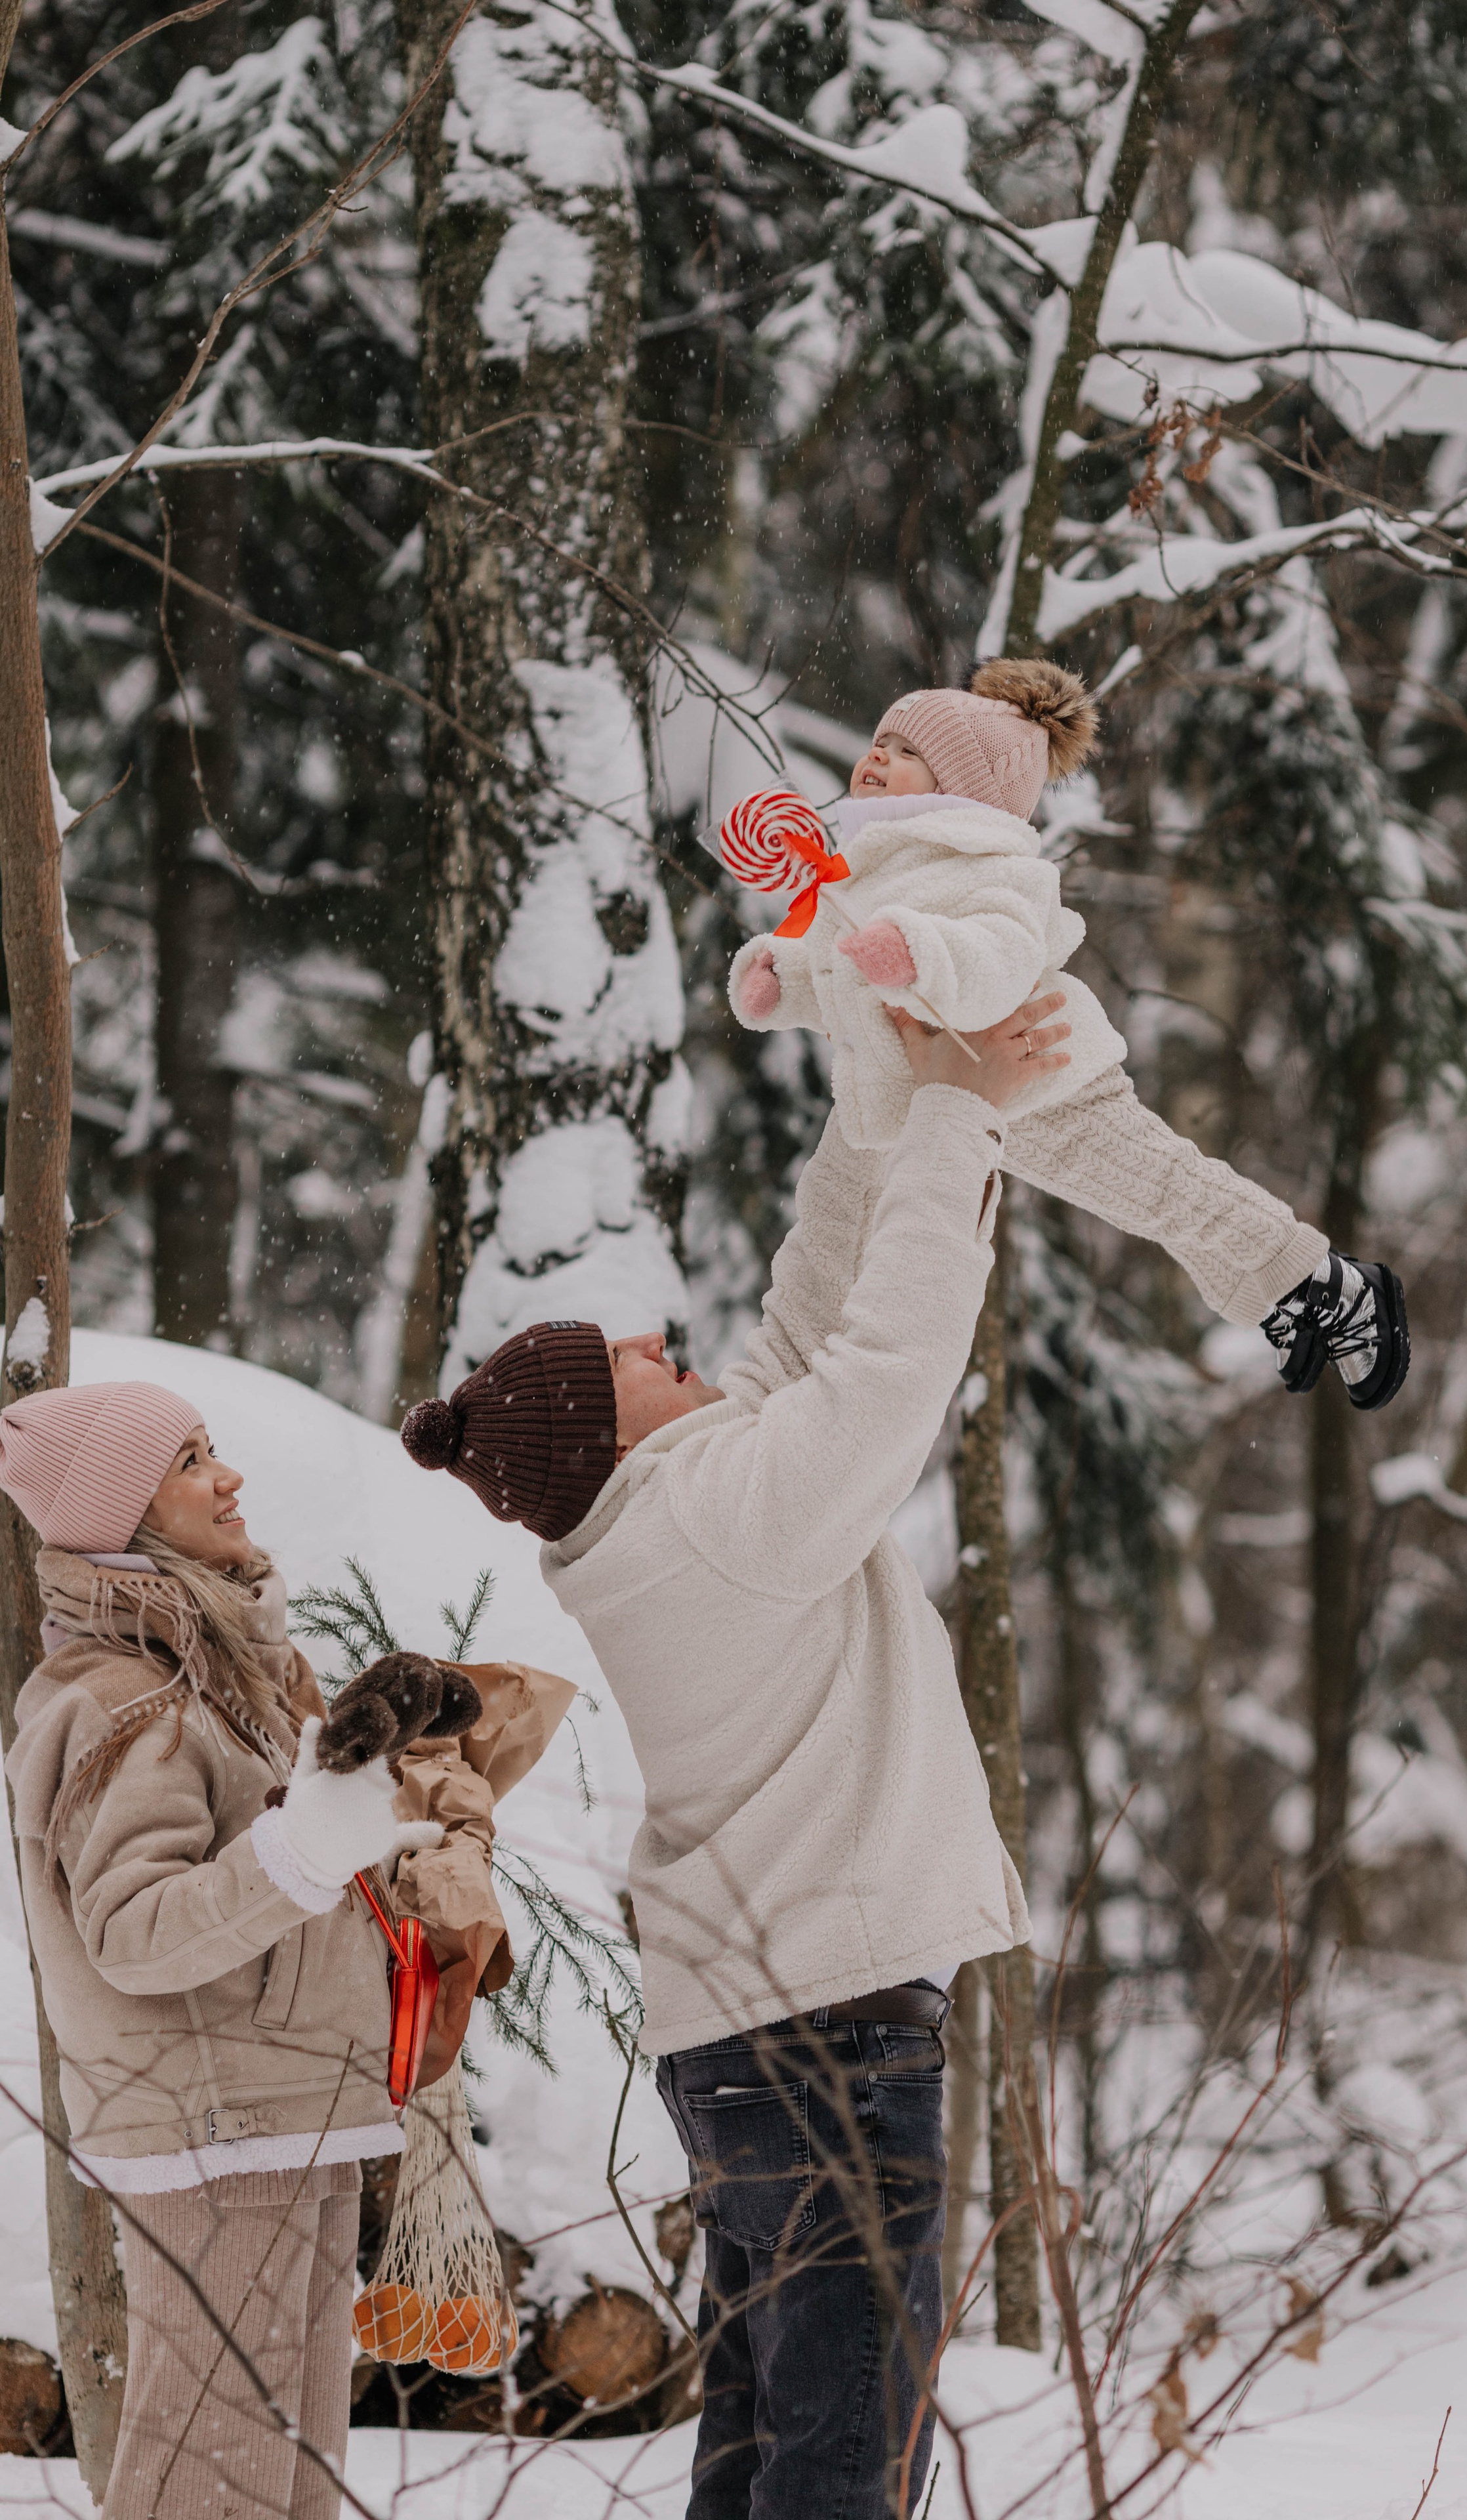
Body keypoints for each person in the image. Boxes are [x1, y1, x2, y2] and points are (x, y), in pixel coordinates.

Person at [402, 990, 1075, 2518]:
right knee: (841, 2450)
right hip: (833, 2037)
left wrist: (889, 1074)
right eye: (623, 1355)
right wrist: (966, 1114)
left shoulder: (684, 1509)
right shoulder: (725, 1519)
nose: (655, 1335)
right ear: (611, 1435)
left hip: (748, 2043)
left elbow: (803, 1303)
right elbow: (892, 1350)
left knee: (766, 2430)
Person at [0, 1383, 459, 2520]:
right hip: (213, 2132)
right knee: (212, 2479)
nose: (229, 1476)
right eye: (191, 1459)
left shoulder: (224, 1676)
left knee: (286, 2478)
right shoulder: (116, 1697)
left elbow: (276, 1879)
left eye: (215, 1447)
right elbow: (133, 1931)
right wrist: (300, 1853)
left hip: (287, 2111)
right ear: (125, 1516)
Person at [722, 656, 1408, 1411]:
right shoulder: (863, 870)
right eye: (881, 740)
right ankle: (767, 1407)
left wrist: (920, 952)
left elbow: (998, 955)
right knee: (835, 1244)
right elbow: (843, 979)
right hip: (924, 1098)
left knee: (1158, 1188)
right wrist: (781, 980)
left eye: (909, 750)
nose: (879, 754)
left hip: (1037, 1071)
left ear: (964, 787)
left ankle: (1324, 1285)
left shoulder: (991, 864)